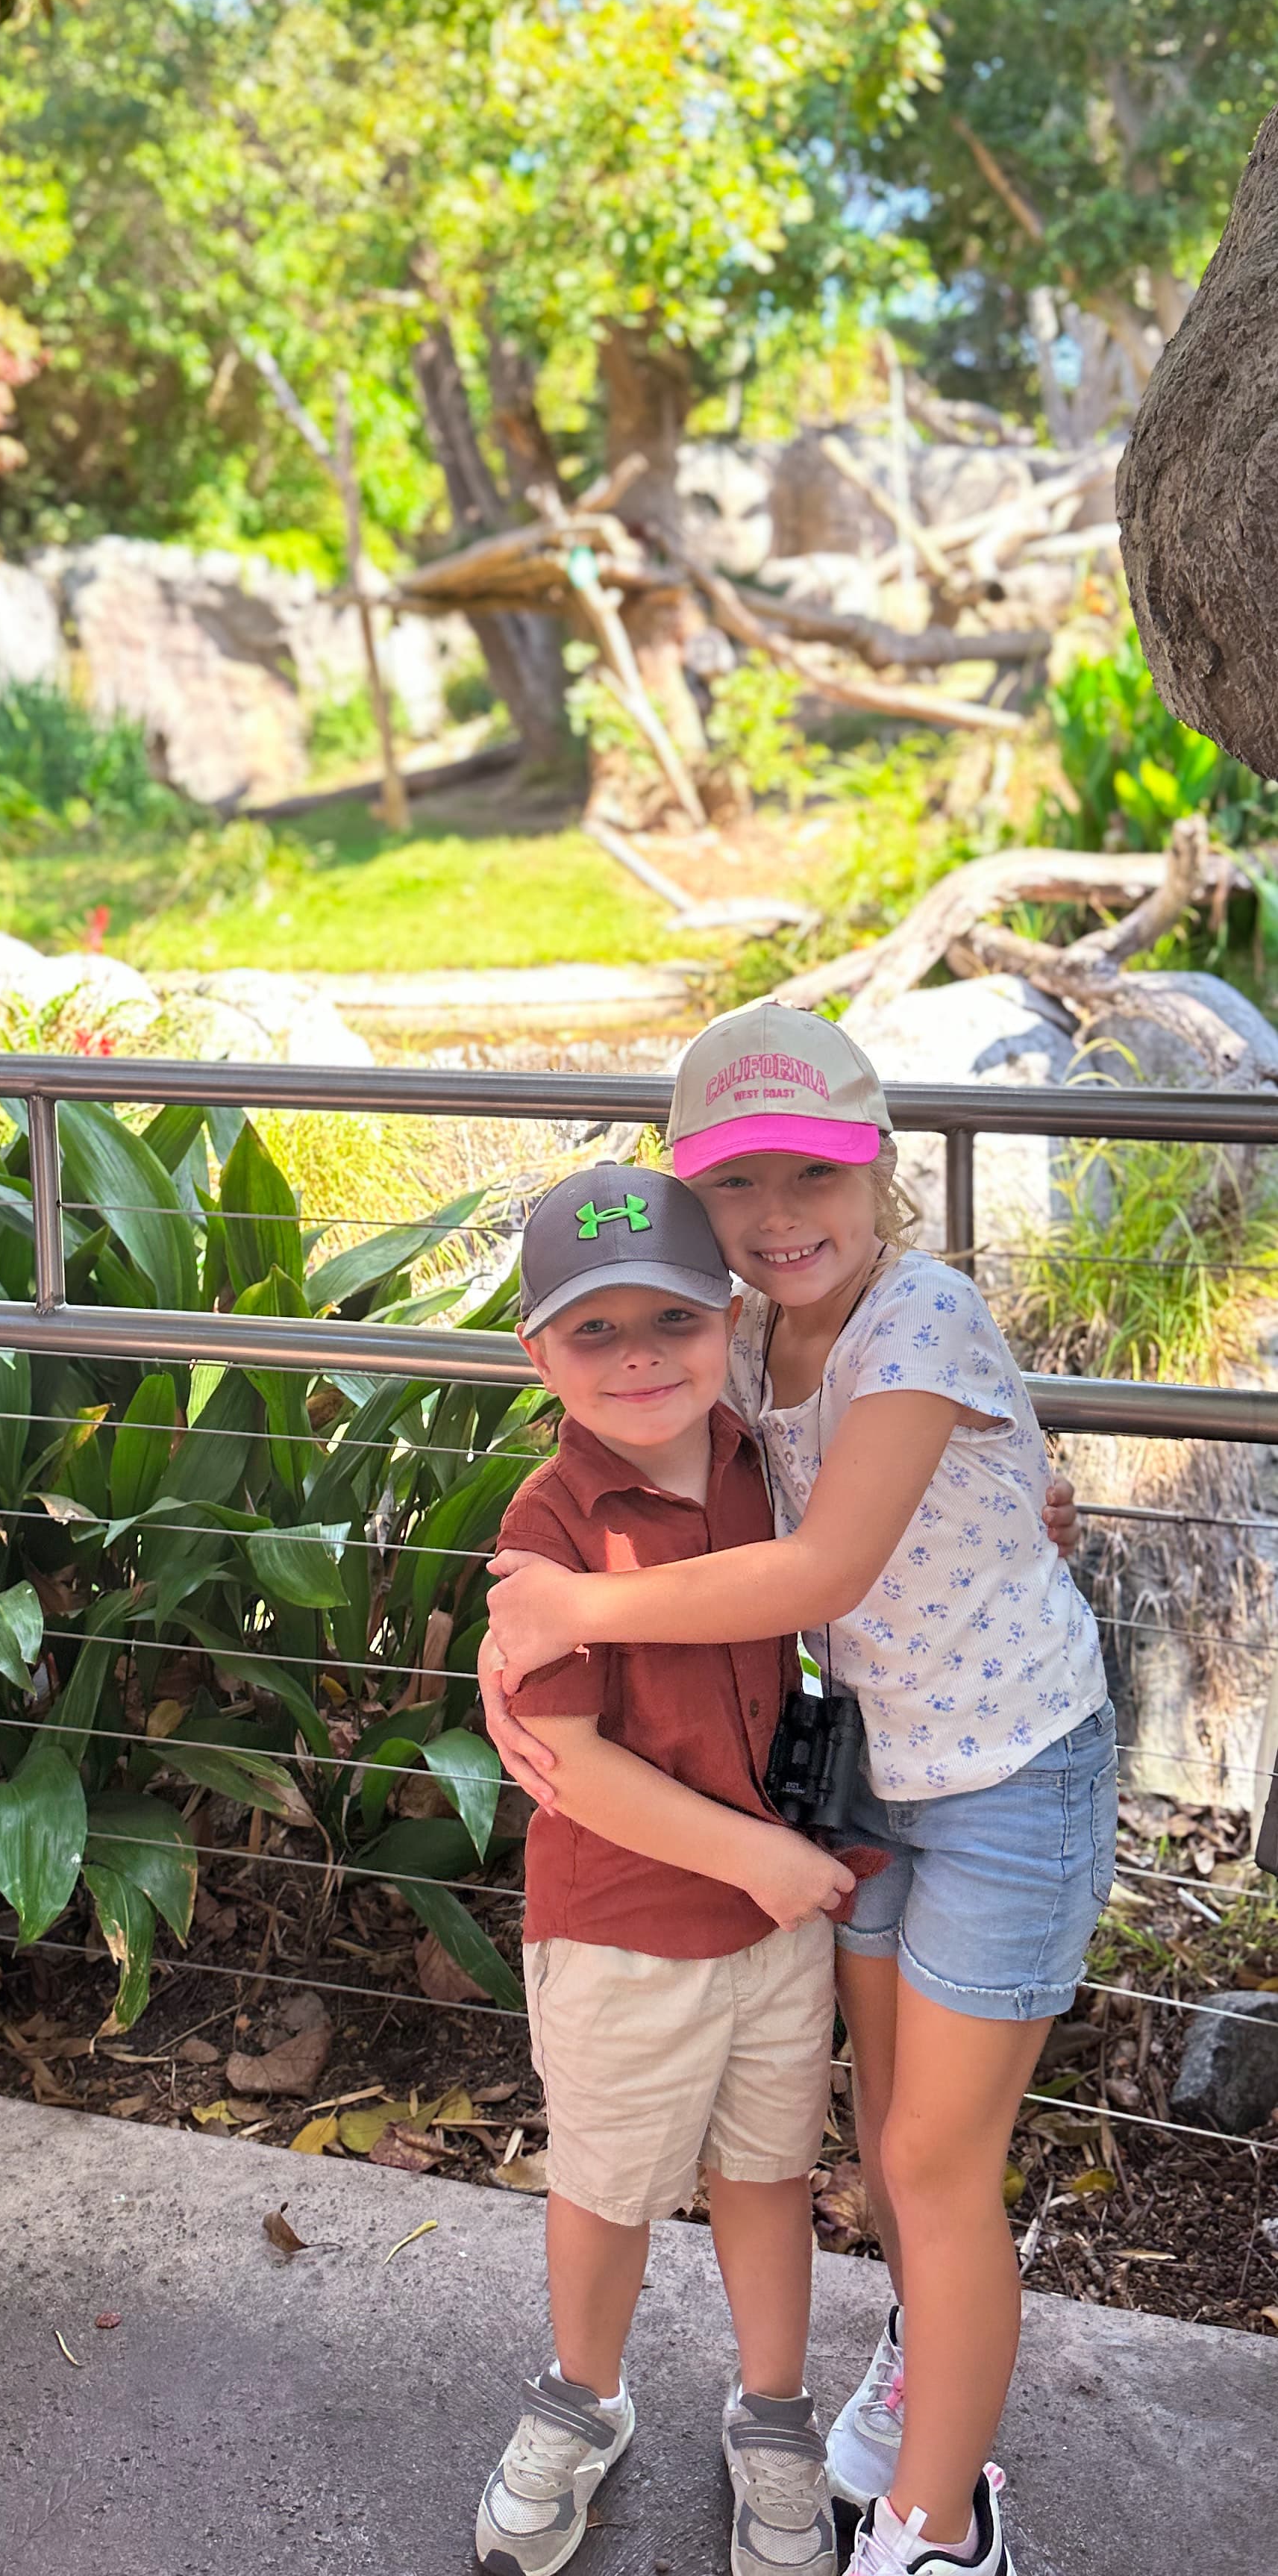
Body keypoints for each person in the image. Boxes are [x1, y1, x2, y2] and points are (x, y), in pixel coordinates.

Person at [483, 1005, 1112, 2576]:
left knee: (930, 2160)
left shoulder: (921, 1316)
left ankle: (938, 2524)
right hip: (877, 1773)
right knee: (893, 2130)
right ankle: (920, 2373)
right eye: (741, 1189)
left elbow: (824, 1562)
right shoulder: (740, 1342)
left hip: (1010, 1775)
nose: (779, 1219)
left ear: (876, 1168)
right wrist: (520, 1651)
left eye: (811, 1177)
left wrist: (571, 1612)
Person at [474, 1155, 869, 2576]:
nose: (641, 1359)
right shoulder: (554, 1526)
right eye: (597, 1331)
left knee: (768, 2174)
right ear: (540, 1353)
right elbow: (567, 1756)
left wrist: (1040, 1514)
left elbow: (890, 1540)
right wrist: (756, 1858)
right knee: (610, 2184)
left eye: (674, 1323)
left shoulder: (776, 1463)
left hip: (777, 1917)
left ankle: (773, 2414)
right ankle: (581, 2400)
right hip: (630, 1923)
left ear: (730, 1323)